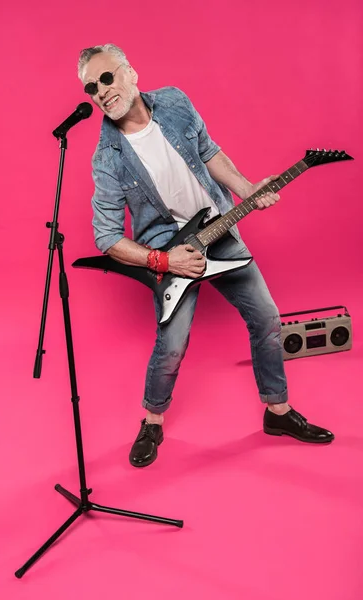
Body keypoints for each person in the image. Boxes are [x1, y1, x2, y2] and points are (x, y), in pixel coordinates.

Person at [77, 43, 334, 467]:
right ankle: (152, 420)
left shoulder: (176, 102)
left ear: (131, 73)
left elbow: (209, 152)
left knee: (267, 318)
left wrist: (248, 189)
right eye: (91, 87)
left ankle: (278, 412)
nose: (102, 91)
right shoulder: (107, 159)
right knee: (172, 344)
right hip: (169, 253)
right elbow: (105, 238)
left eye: (107, 77)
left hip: (218, 227)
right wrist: (163, 261)